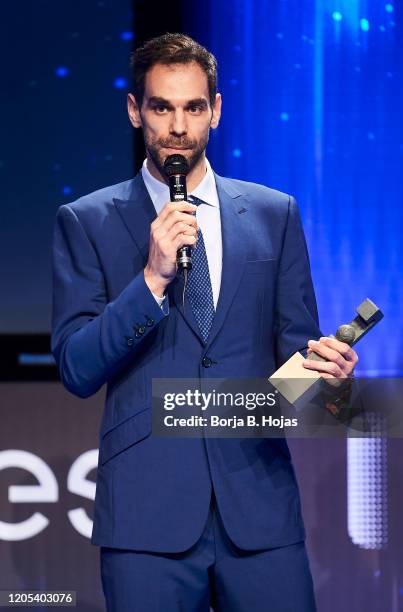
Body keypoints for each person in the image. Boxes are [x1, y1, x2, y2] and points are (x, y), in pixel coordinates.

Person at [51, 33, 357, 612]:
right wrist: (151, 281)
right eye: (162, 107)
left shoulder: (274, 214)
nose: (177, 126)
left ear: (215, 111)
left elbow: (296, 373)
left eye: (193, 107)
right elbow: (76, 367)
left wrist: (331, 385)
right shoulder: (86, 221)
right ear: (135, 110)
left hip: (260, 515)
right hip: (147, 522)